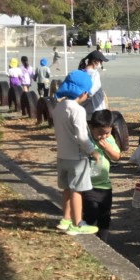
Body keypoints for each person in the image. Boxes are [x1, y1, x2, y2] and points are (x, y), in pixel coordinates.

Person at [51, 70, 99, 235]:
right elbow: (81, 136)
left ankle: (65, 219)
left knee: (66, 188)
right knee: (77, 190)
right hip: (77, 157)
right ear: (83, 92)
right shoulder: (78, 110)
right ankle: (77, 223)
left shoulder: (59, 107)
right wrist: (93, 151)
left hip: (62, 155)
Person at [83, 109, 122, 244]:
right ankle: (86, 239)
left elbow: (117, 156)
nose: (103, 136)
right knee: (91, 212)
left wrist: (107, 148)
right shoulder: (86, 140)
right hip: (88, 185)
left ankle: (103, 242)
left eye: (107, 132)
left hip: (105, 185)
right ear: (91, 128)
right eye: (100, 133)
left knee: (105, 217)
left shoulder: (109, 140)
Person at [81, 49, 109, 115]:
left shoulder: (82, 72)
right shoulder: (94, 74)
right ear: (94, 61)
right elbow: (90, 92)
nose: (101, 64)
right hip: (96, 109)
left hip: (85, 110)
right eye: (101, 61)